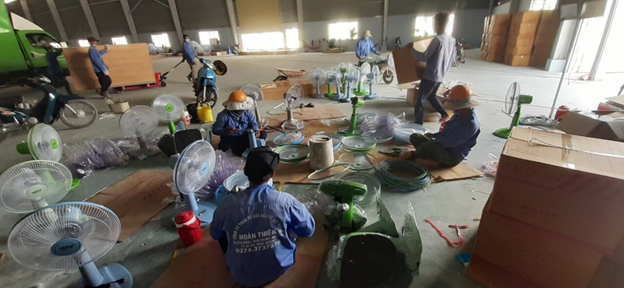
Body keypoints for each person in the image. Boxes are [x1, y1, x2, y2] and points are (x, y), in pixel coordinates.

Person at [210, 147, 315, 287]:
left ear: (245, 172)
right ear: (272, 174)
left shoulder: (225, 206)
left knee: (224, 230)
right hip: (278, 268)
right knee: (291, 222)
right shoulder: (285, 202)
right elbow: (308, 230)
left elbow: (215, 234)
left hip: (239, 273)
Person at [399, 85, 480, 168]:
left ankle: (438, 163)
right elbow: (445, 133)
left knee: (430, 146)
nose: (454, 109)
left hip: (452, 156)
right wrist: (433, 135)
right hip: (442, 145)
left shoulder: (469, 124)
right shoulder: (459, 114)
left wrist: (414, 153)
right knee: (415, 137)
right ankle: (428, 157)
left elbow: (447, 143)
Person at [409, 12, 456, 124]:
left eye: (433, 23)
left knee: (420, 99)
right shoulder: (451, 40)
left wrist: (412, 50)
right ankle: (444, 114)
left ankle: (418, 123)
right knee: (430, 96)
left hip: (431, 75)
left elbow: (424, 57)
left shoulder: (438, 40)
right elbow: (453, 60)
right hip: (441, 75)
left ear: (437, 24)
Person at [212, 91, 267, 156]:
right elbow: (215, 130)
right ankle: (242, 149)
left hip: (246, 136)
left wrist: (256, 131)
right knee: (226, 148)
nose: (240, 112)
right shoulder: (223, 115)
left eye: (241, 110)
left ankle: (245, 148)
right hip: (231, 139)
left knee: (263, 134)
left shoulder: (247, 112)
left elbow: (253, 123)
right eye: (237, 111)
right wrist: (226, 131)